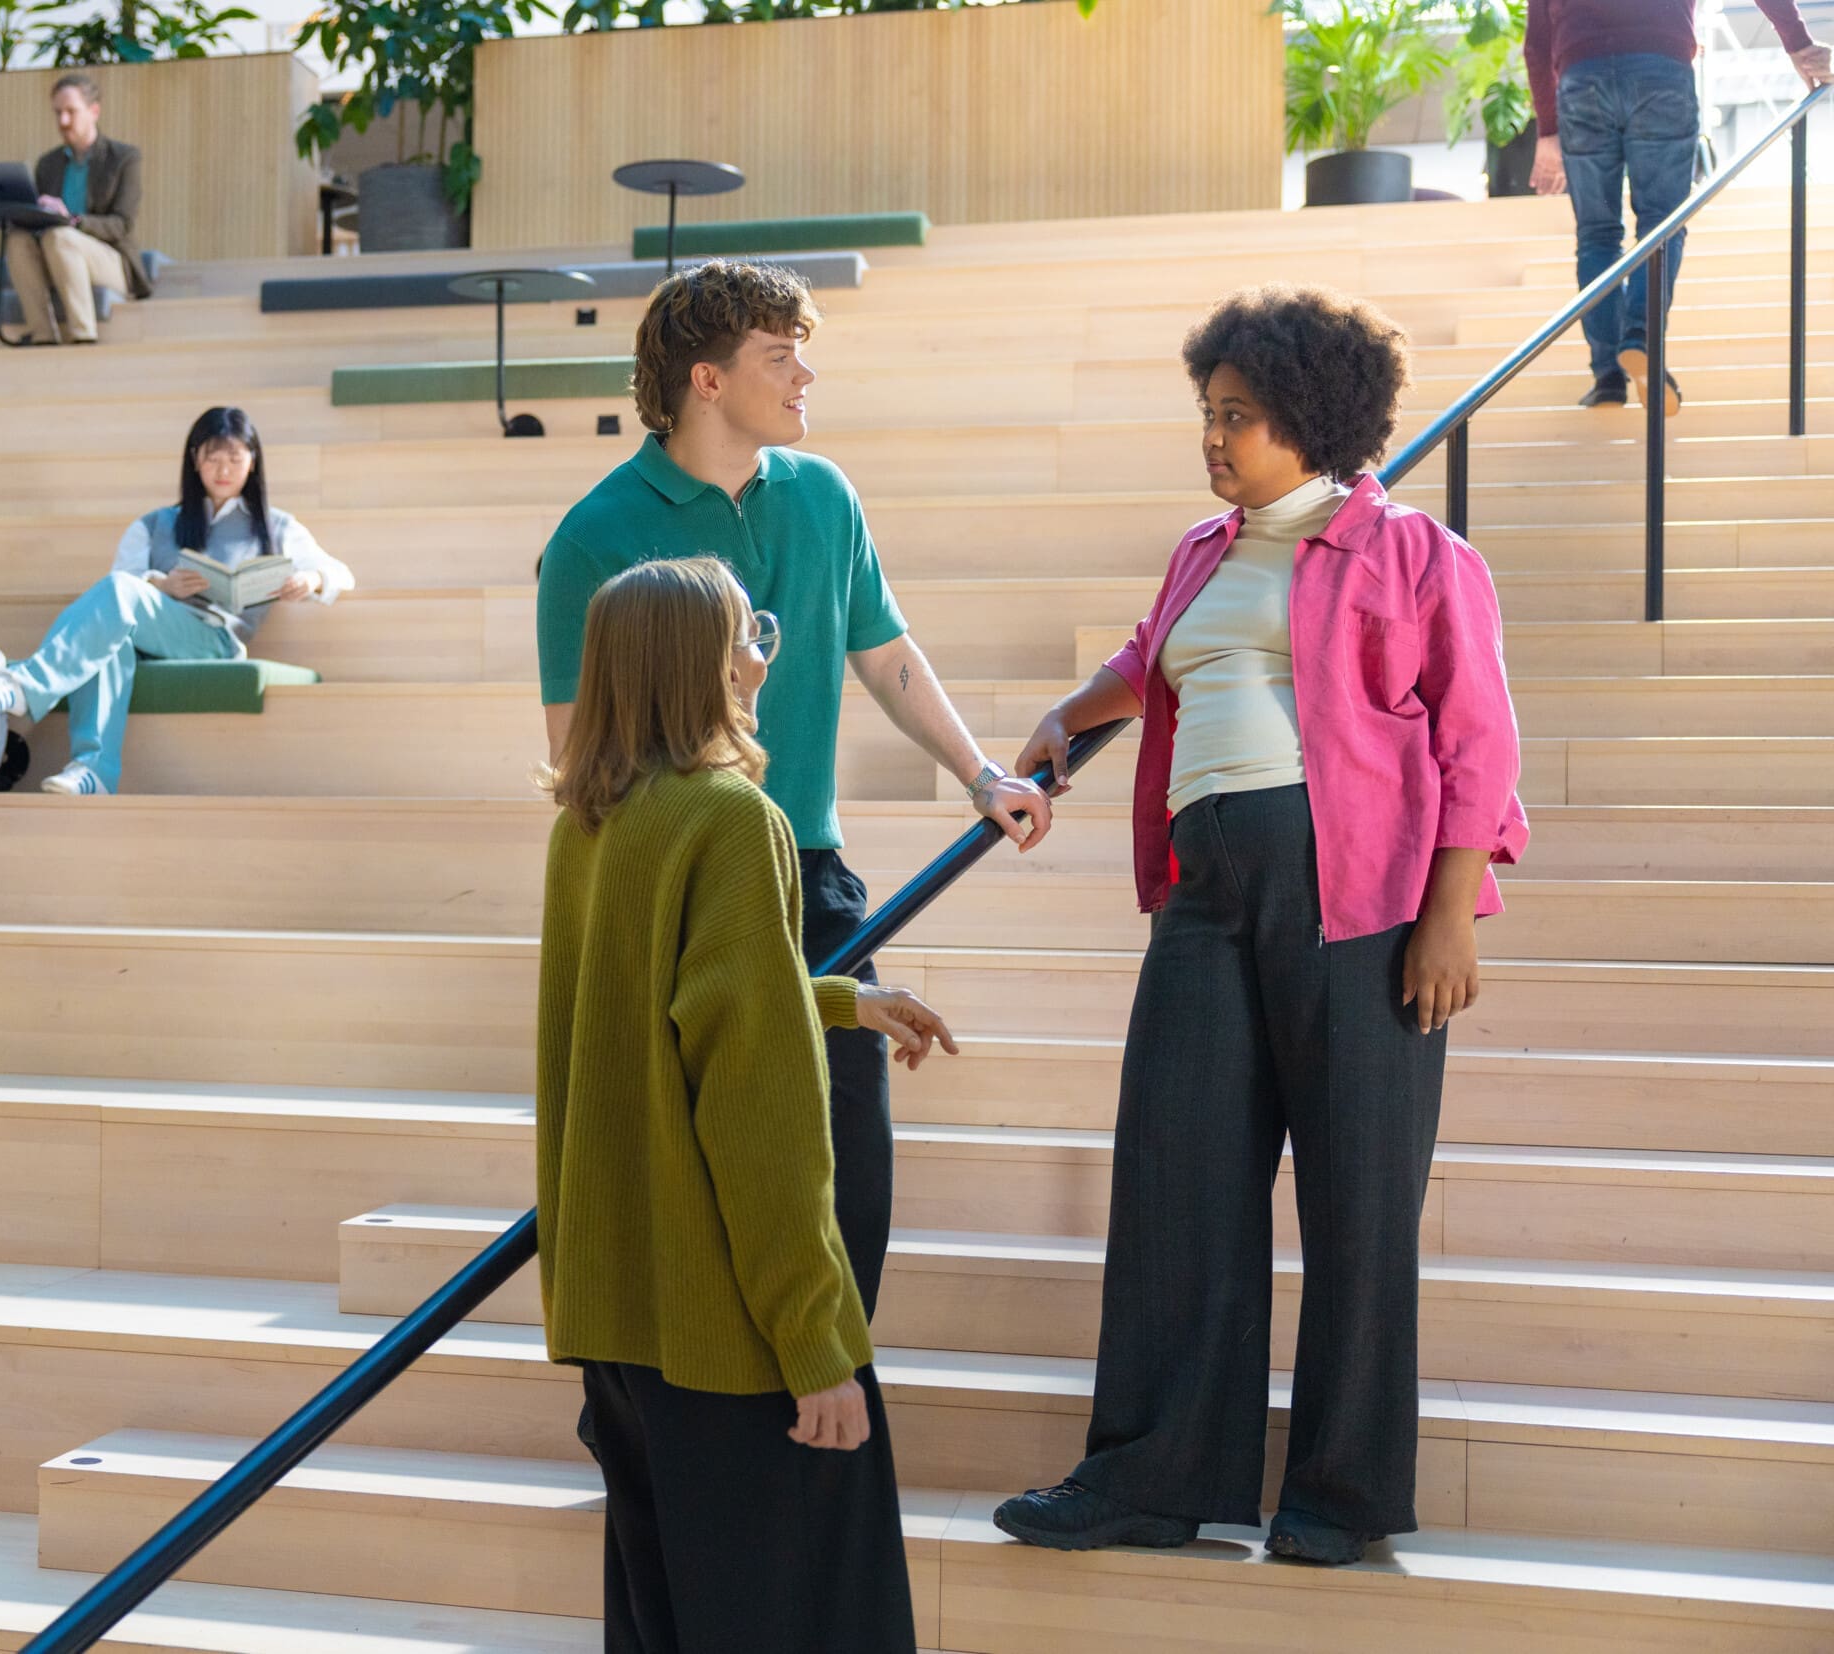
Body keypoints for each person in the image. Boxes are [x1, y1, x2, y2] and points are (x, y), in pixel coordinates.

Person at [990, 285, 1529, 1567]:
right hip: (1204, 890)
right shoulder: (1203, 551)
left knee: (1356, 1197)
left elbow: (1479, 745)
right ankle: (1148, 1476)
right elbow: (1151, 655)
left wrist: (1447, 919)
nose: (1213, 437)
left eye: (1237, 416)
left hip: (1357, 895)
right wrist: (1067, 718)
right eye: (1206, 413)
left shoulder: (1414, 555)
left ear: (1312, 416)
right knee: (1175, 1177)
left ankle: (1336, 1496)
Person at [536, 258, 1052, 1323]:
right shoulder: (592, 536)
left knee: (846, 1161)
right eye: (780, 356)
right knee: (691, 1168)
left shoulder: (823, 498)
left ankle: (830, 1392)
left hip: (807, 870)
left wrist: (979, 772)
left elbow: (884, 652)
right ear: (706, 380)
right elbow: (577, 757)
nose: (806, 373)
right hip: (673, 879)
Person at [539, 554, 956, 1652]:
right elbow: (756, 1117)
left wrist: (832, 1000)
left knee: (661, 1622)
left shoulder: (591, 822)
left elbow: (642, 1015)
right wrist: (816, 1340)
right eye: (744, 636)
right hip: (723, 1331)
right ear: (697, 665)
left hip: (617, 1323)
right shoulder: (733, 818)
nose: (759, 658)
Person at [0, 406, 353, 795]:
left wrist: (312, 578)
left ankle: (26, 684)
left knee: (119, 595)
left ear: (253, 461)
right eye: (213, 458)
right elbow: (119, 587)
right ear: (194, 460)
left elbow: (339, 573)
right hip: (151, 633)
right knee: (109, 635)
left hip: (215, 641)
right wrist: (162, 586)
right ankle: (92, 772)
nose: (224, 469)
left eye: (235, 458)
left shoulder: (276, 525)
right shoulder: (155, 524)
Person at [1527, 0, 1831, 411]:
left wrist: (1547, 131)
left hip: (1584, 78)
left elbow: (1537, 41)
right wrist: (1798, 44)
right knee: (1662, 224)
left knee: (1597, 235)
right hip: (1661, 71)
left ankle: (1608, 377)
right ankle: (1641, 337)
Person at [7, 72, 152, 346]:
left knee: (60, 237)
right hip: (56, 254)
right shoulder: (47, 164)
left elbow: (121, 224)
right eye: (58, 113)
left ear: (94, 111)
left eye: (71, 112)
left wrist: (72, 221)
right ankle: (43, 336)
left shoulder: (123, 158)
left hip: (109, 260)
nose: (63, 121)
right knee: (17, 241)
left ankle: (83, 336)